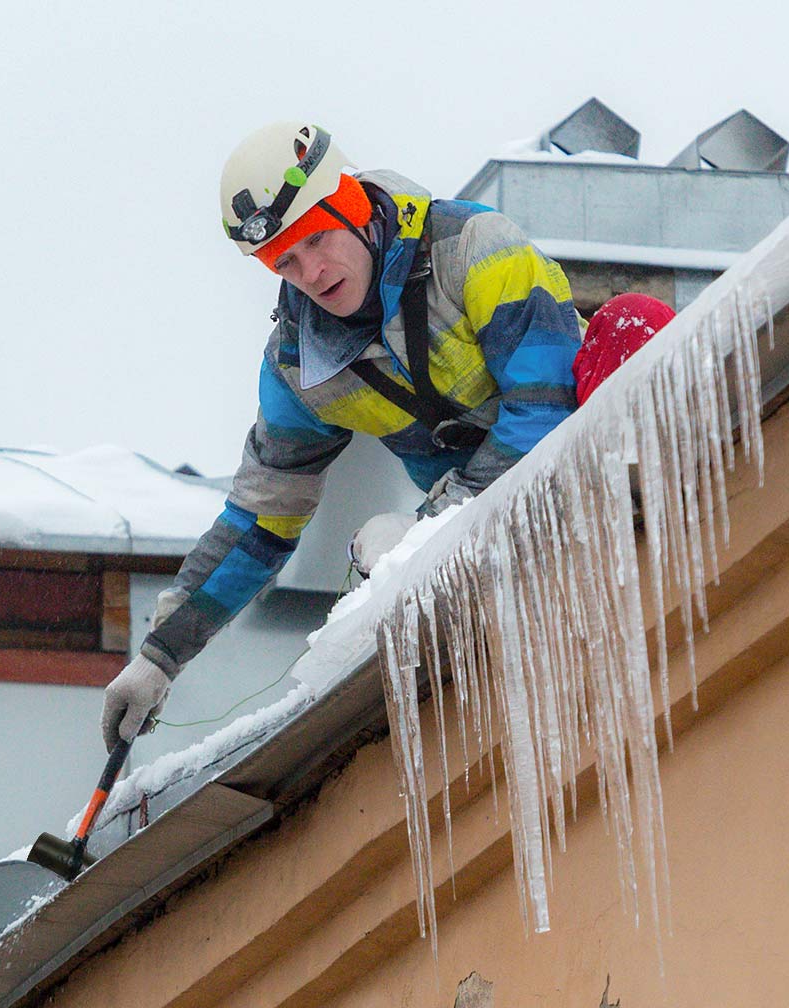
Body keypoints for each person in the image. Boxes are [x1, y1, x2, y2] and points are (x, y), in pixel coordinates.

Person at [102, 120, 667, 751]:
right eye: (285, 261)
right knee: (377, 568)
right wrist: (160, 655)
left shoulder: (475, 248)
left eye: (317, 239)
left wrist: (429, 529)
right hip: (482, 555)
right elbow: (263, 519)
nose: (312, 272)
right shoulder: (300, 366)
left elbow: (546, 408)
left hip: (589, 475)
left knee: (635, 323)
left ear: (350, 203)